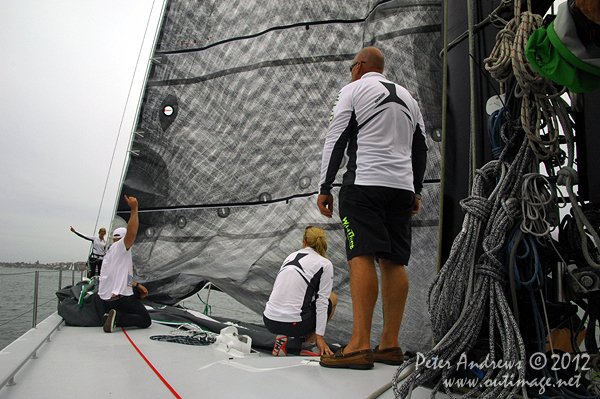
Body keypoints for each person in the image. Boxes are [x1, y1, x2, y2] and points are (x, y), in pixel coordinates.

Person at [317, 47, 428, 369]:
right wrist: (415, 190)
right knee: (394, 262)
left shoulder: (353, 89)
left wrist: (325, 187)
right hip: (402, 191)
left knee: (361, 255)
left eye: (352, 66)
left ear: (361, 65)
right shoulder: (409, 98)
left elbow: (335, 138)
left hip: (364, 185)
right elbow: (420, 148)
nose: (350, 71)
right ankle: (389, 345)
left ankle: (359, 346)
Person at [263, 226, 338, 357]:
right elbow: (322, 302)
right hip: (296, 325)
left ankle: (281, 338)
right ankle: (309, 344)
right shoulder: (325, 264)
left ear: (304, 242)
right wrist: (319, 337)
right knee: (332, 298)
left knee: (291, 297)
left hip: (269, 321)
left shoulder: (290, 257)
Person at [99, 195, 151, 333]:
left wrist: (137, 285)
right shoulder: (121, 247)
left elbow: (118, 275)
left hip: (107, 300)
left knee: (132, 299)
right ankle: (118, 319)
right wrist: (134, 209)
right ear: (123, 238)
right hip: (120, 299)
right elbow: (132, 232)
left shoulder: (110, 252)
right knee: (145, 320)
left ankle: (111, 314)